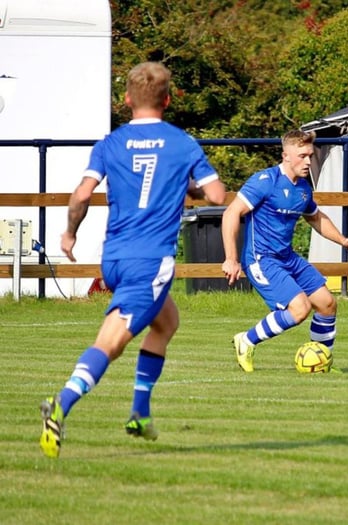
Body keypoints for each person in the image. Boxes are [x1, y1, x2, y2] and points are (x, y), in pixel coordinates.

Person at [39, 62, 226, 458]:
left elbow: (83, 195)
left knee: (167, 321)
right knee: (111, 343)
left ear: (126, 100)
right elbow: (217, 196)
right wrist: (185, 184)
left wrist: (70, 232)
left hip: (115, 257)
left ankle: (139, 413)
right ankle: (61, 404)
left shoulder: (111, 143)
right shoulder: (182, 143)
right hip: (150, 260)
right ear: (169, 100)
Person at [221, 129, 348, 372]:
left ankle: (321, 362)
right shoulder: (265, 182)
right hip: (262, 259)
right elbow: (231, 213)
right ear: (286, 155)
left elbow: (315, 217)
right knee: (299, 309)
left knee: (327, 304)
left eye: (310, 155)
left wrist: (342, 240)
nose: (308, 161)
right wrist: (231, 259)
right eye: (302, 156)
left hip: (287, 258)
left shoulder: (304, 188)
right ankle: (246, 340)